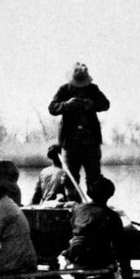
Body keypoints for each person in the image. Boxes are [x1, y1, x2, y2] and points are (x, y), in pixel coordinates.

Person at [62, 177, 140, 279]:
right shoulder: (112, 216)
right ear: (110, 194)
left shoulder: (78, 209)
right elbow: (120, 245)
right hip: (99, 257)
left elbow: (71, 230)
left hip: (77, 255)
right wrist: (126, 268)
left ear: (89, 193)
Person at [48, 62, 111, 192]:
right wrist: (66, 105)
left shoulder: (93, 89)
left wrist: (92, 104)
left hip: (91, 142)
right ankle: (73, 201)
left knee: (94, 178)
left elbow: (105, 104)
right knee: (70, 178)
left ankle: (94, 201)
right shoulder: (64, 89)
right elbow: (52, 108)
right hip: (70, 143)